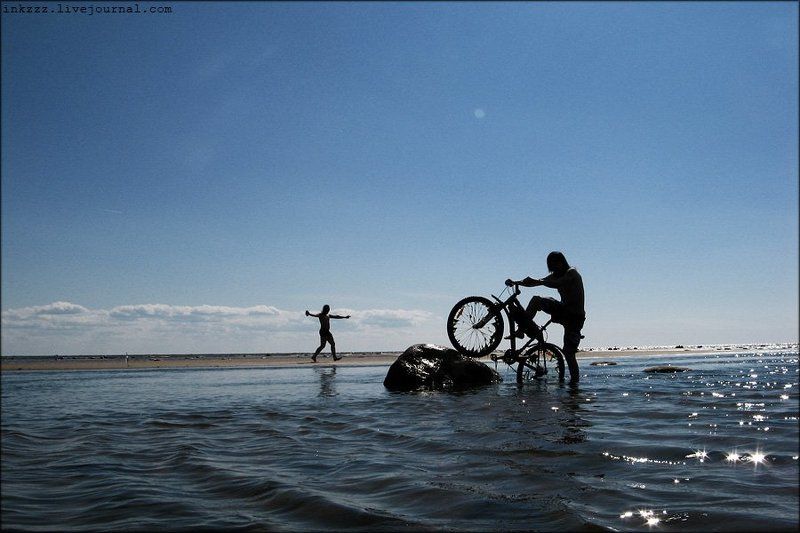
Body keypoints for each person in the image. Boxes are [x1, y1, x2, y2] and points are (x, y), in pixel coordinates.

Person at [505, 251, 585, 383]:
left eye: (554, 266)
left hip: (575, 317)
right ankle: (521, 330)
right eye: (551, 268)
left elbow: (558, 283)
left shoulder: (571, 273)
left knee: (569, 352)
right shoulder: (556, 275)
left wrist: (541, 281)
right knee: (536, 300)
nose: (553, 270)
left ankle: (574, 385)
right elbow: (535, 282)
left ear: (561, 263)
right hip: (563, 311)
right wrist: (516, 282)